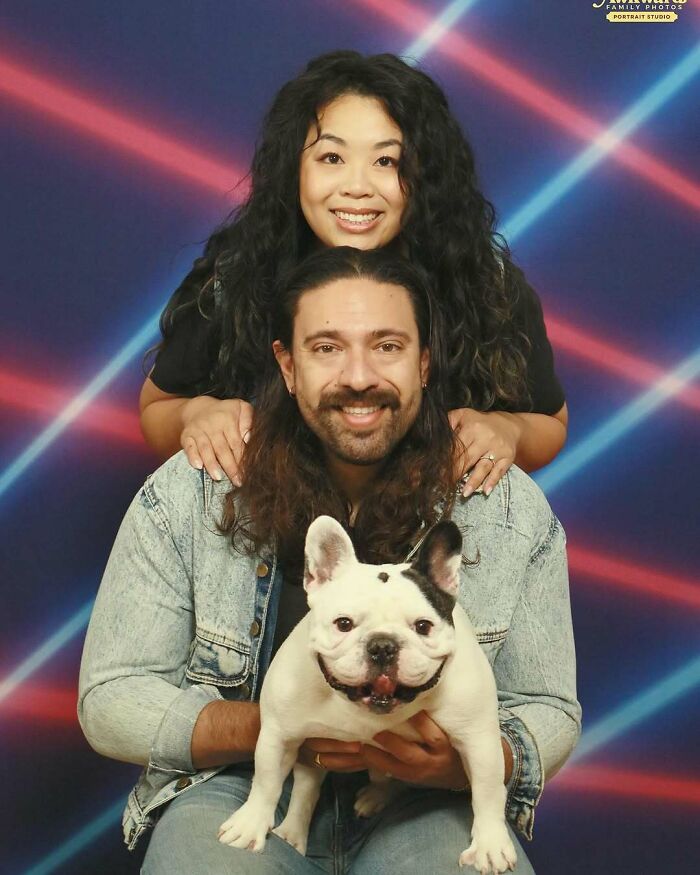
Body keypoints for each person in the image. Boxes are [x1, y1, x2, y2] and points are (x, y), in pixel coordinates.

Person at [80, 247, 580, 873]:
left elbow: (550, 706)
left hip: (422, 801)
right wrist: (283, 723)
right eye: (326, 348)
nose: (359, 375)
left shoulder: (502, 502)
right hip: (236, 786)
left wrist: (461, 760)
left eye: (388, 346)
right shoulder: (196, 484)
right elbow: (110, 699)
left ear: (425, 363)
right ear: (286, 366)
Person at [139, 50, 568, 498]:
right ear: (294, 170)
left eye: (386, 162)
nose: (358, 187)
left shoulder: (483, 282)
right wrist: (196, 416)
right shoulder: (238, 274)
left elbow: (550, 423)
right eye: (331, 159)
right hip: (267, 541)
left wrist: (507, 430)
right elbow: (158, 407)